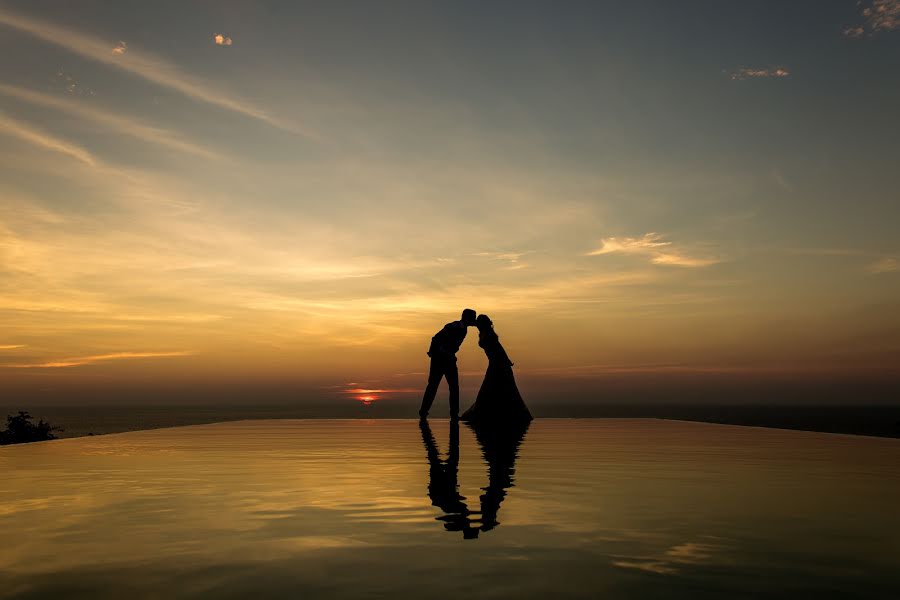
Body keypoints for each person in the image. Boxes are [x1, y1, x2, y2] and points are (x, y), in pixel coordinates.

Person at [460, 314, 532, 424]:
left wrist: (506, 360)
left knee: (497, 389)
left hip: (499, 364)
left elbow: (499, 348)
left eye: (479, 323)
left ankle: (492, 415)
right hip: (494, 363)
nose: (477, 324)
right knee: (491, 389)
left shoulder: (489, 335)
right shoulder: (484, 332)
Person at [419, 308, 477, 420]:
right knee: (435, 386)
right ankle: (424, 412)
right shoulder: (454, 327)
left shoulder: (463, 328)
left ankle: (453, 414)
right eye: (472, 318)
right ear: (467, 318)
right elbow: (436, 338)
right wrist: (435, 352)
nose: (473, 320)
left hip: (448, 359)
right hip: (441, 360)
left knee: (452, 387)